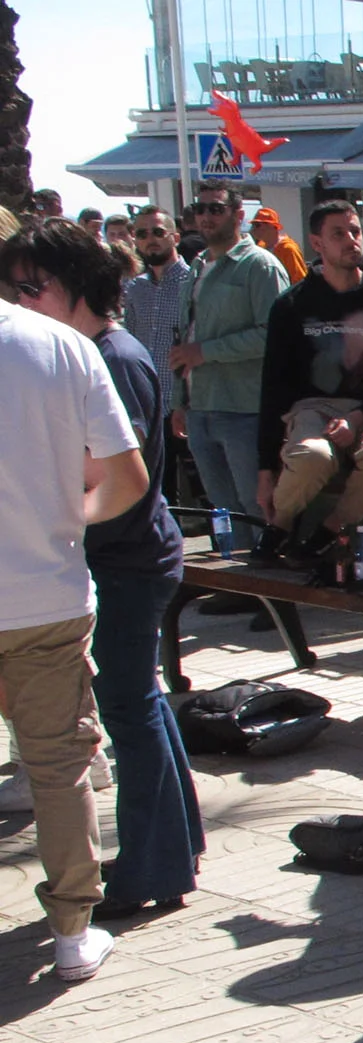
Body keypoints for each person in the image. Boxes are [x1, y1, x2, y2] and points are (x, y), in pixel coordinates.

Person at [3, 218, 204, 922]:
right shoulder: (91, 351)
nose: (21, 302)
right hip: (126, 556)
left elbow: (122, 482)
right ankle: (170, 853)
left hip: (125, 561)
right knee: (139, 703)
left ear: (75, 286)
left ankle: (151, 865)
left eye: (32, 287)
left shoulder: (108, 357)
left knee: (129, 709)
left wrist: (52, 524)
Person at [0, 237, 152, 983]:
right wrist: (60, 520)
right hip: (45, 595)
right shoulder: (61, 346)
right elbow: (126, 478)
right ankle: (70, 933)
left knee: (56, 765)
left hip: (43, 597)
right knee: (59, 766)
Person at [254, 200, 363, 557]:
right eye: (339, 234)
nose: (351, 241)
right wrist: (265, 468)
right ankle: (279, 528)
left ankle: (329, 531)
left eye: (355, 232)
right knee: (312, 457)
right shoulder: (291, 306)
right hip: (313, 408)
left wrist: (359, 416)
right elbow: (274, 386)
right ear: (317, 244)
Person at [171, 180, 287, 550]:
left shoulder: (260, 266)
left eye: (215, 208)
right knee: (222, 509)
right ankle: (240, 586)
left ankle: (269, 594)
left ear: (239, 215)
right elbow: (184, 338)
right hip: (200, 407)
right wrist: (179, 403)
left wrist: (207, 351)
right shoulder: (197, 266)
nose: (205, 216)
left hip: (243, 409)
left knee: (256, 506)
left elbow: (274, 335)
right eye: (200, 209)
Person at [122, 206, 193, 504]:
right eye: (142, 234)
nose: (150, 239)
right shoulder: (135, 288)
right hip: (149, 406)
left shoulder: (192, 281)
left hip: (186, 403)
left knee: (205, 489)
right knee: (158, 490)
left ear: (174, 237)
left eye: (158, 232)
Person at [246, 206, 308, 284]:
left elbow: (300, 281)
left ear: (272, 226)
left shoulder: (288, 249)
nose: (253, 229)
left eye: (257, 225)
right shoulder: (260, 247)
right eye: (253, 225)